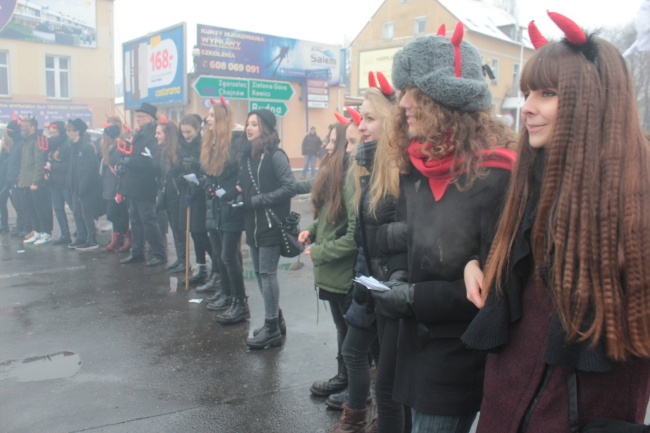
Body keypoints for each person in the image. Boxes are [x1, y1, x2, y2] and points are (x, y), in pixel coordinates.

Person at [462, 13, 650, 433]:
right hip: (503, 407)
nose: (526, 107)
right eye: (528, 92)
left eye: (547, 93)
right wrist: (476, 265)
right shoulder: (533, 178)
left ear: (591, 99)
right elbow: (499, 248)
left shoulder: (639, 199)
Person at [371, 24, 516, 432]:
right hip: (413, 345)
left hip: (459, 353)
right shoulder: (418, 165)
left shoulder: (496, 173)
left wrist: (416, 297)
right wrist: (398, 274)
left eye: (411, 91)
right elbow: (411, 237)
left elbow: (495, 286)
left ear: (442, 99)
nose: (401, 104)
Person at [302, 122, 358, 400]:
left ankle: (354, 386)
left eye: (333, 141)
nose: (326, 145)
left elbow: (353, 235)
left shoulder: (349, 178)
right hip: (333, 272)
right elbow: (328, 217)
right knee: (341, 326)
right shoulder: (335, 176)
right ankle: (344, 377)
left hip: (343, 272)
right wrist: (311, 231)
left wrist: (321, 252)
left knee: (351, 330)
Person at [236, 108, 296, 348]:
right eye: (247, 123)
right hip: (253, 224)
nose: (248, 128)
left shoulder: (276, 155)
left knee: (268, 274)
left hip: (271, 223)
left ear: (267, 129)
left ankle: (271, 328)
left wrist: (257, 201)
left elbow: (289, 186)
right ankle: (276, 319)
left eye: (254, 124)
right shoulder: (249, 155)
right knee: (261, 275)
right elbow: (246, 186)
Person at [199, 99, 247, 314]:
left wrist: (233, 190)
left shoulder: (237, 141)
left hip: (231, 204)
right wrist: (207, 181)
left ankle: (239, 300)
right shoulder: (213, 142)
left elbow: (240, 173)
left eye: (211, 115)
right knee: (220, 253)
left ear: (221, 119)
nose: (207, 118)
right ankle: (228, 293)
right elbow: (211, 172)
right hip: (215, 205)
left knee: (229, 254)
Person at [118, 102, 166, 266]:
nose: (138, 119)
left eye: (141, 117)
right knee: (136, 220)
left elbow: (152, 162)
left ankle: (159, 253)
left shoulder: (153, 134)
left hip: (145, 184)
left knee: (149, 220)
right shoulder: (139, 133)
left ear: (151, 118)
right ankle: (136, 251)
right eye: (137, 117)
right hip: (133, 184)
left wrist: (129, 161)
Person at [179, 114, 212, 284]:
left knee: (200, 232)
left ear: (197, 129)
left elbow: (206, 171)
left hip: (201, 193)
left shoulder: (202, 146)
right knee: (193, 232)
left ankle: (216, 266)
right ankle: (201, 267)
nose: (186, 135)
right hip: (190, 189)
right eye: (183, 131)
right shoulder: (185, 145)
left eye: (188, 131)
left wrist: (196, 176)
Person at [153, 118, 185, 270]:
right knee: (174, 228)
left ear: (167, 134)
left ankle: (185, 261)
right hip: (168, 194)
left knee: (179, 228)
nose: (156, 136)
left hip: (177, 195)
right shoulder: (163, 151)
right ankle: (180, 259)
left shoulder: (176, 152)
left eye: (159, 133)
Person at [66, 118, 101, 251]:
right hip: (75, 187)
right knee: (76, 213)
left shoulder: (86, 147)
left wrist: (83, 188)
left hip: (84, 188)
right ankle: (81, 237)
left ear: (77, 132)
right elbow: (72, 169)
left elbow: (89, 170)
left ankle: (92, 240)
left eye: (70, 131)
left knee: (87, 214)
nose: (68, 133)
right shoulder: (73, 147)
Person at [19, 117, 53, 246]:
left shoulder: (38, 140)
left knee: (42, 209)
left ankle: (46, 233)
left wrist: (35, 182)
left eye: (25, 125)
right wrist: (22, 179)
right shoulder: (26, 141)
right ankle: (37, 231)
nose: (22, 128)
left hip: (36, 183)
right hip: (27, 182)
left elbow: (39, 163)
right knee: (32, 209)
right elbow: (25, 163)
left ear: (33, 127)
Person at [99, 124, 129, 252]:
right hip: (110, 187)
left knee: (113, 214)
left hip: (116, 188)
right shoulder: (110, 149)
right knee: (117, 214)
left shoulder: (116, 150)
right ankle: (118, 239)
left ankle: (127, 237)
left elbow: (120, 172)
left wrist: (119, 190)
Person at [45, 121, 73, 246]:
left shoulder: (67, 144)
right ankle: (65, 234)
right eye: (51, 132)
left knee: (74, 209)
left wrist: (52, 167)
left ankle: (84, 233)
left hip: (65, 182)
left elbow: (68, 165)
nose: (52, 135)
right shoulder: (50, 145)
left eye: (55, 132)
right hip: (54, 182)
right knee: (57, 209)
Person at [3, 120, 29, 237]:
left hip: (18, 179)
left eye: (9, 131)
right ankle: (20, 226)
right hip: (11, 178)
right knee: (18, 205)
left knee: (22, 205)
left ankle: (25, 227)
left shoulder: (20, 143)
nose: (7, 133)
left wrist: (18, 177)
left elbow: (21, 162)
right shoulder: (15, 143)